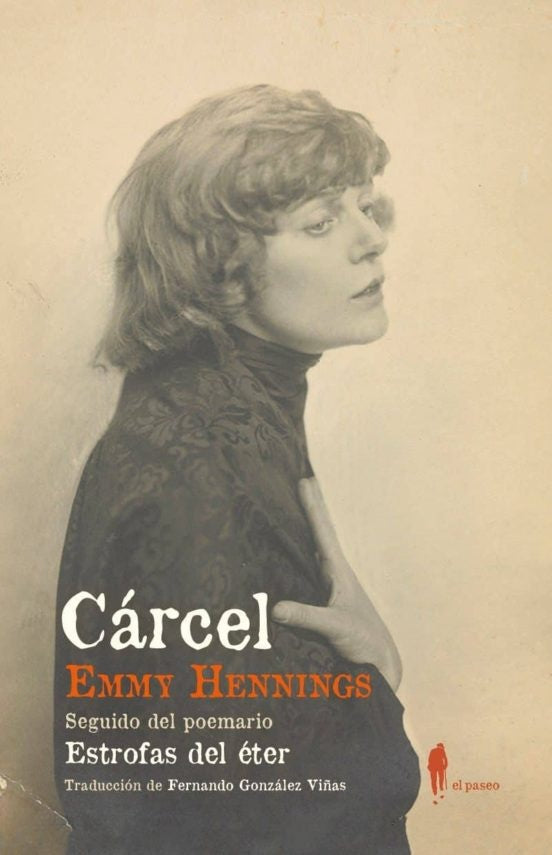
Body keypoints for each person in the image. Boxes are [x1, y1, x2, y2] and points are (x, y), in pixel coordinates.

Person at [54, 84, 420, 854]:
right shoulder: (199, 453)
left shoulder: (224, 407)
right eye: (320, 222)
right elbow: (282, 807)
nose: (371, 239)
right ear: (220, 267)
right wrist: (379, 674)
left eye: (364, 206)